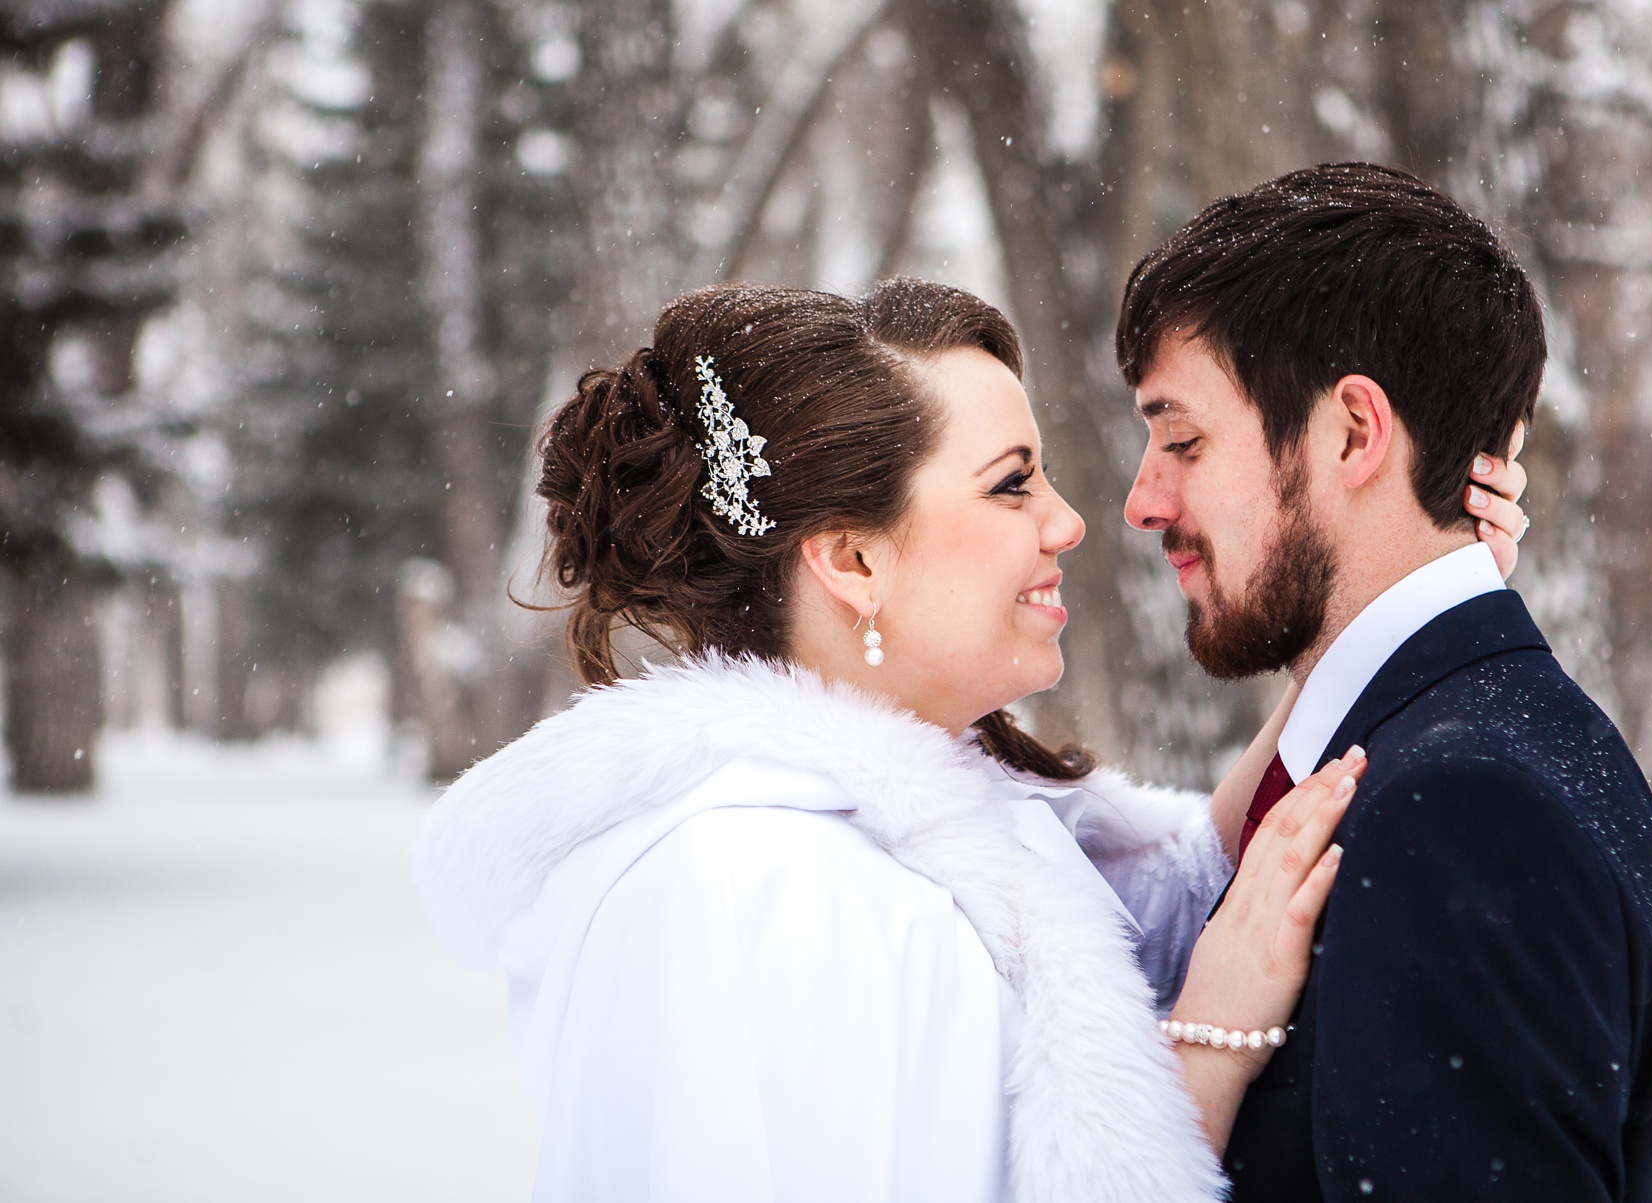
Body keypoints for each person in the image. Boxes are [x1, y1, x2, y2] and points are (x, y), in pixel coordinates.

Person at [411, 274, 1531, 1203]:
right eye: (1010, 486)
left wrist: (1398, 579)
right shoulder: (745, 892)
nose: (1069, 521)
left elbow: (1185, 896)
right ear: (852, 560)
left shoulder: (945, 837)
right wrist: (1205, 1049)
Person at [1118, 162, 1652, 1202]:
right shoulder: (1467, 746)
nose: (1143, 499)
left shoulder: (1464, 810)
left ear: (1352, 431)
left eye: (1183, 440)